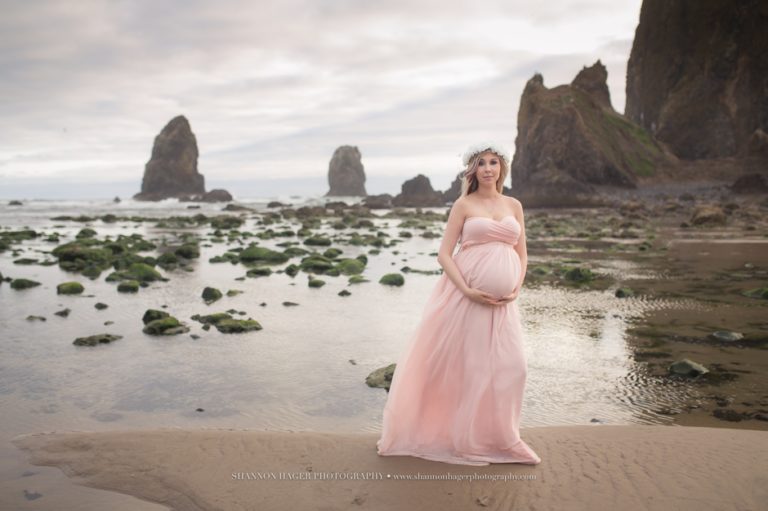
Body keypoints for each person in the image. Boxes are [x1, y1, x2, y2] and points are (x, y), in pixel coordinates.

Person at [376, 141, 541, 466]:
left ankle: (507, 439)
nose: (489, 168)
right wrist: (466, 289)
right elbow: (444, 254)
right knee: (471, 369)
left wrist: (517, 288)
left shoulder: (514, 205)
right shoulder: (463, 206)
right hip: (467, 299)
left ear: (501, 168)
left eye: (494, 162)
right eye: (482, 163)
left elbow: (522, 253)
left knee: (513, 367)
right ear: (473, 170)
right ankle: (465, 440)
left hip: (504, 303)